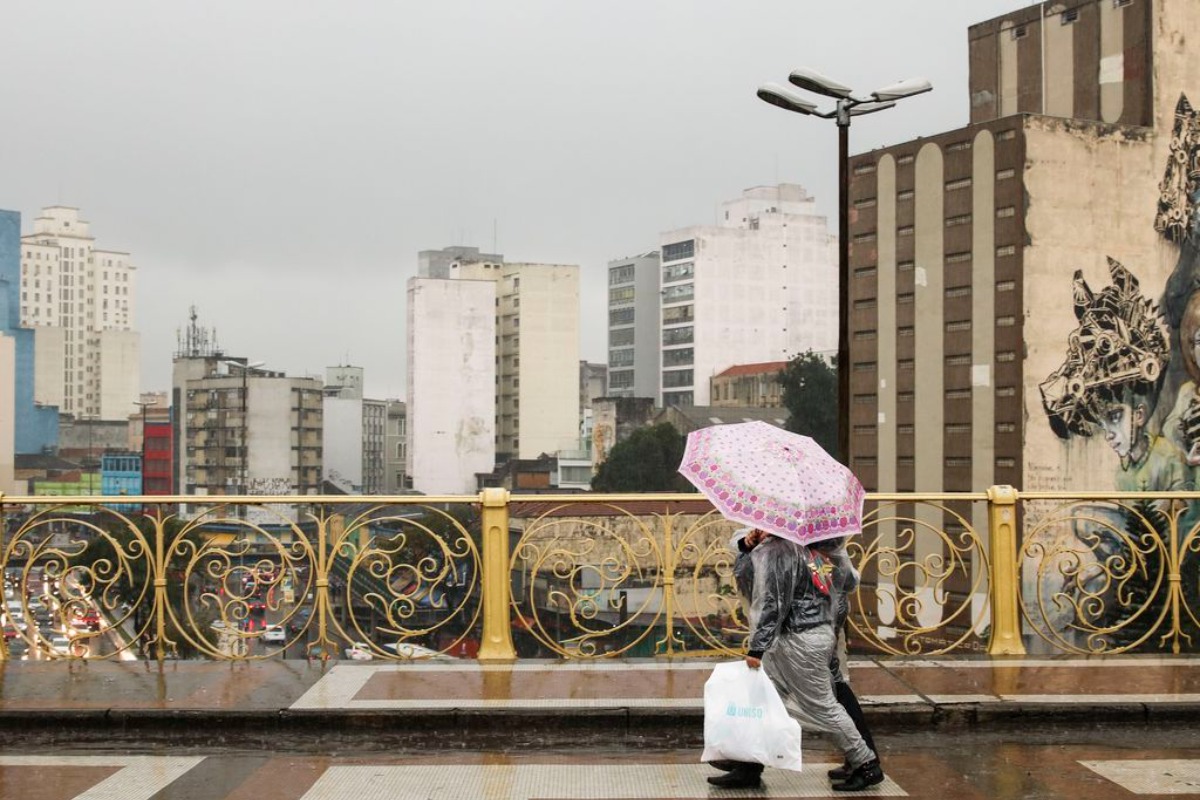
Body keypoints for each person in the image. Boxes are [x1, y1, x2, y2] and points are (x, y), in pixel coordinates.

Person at [707, 528, 882, 791]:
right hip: (820, 631)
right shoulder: (825, 544)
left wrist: (757, 649)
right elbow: (847, 582)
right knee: (765, 700)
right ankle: (747, 763)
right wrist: (750, 544)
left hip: (798, 639)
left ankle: (867, 765)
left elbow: (769, 600)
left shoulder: (780, 550)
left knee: (823, 706)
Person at [813, 536, 879, 782]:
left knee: (834, 685)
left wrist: (814, 559)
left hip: (821, 614)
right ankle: (862, 759)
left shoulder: (817, 538)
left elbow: (842, 578)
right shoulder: (821, 529)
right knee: (834, 683)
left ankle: (865, 760)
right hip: (825, 611)